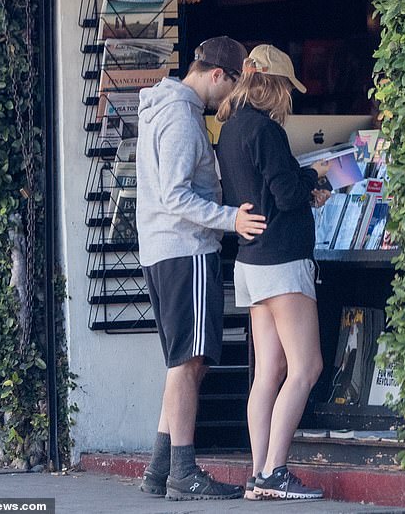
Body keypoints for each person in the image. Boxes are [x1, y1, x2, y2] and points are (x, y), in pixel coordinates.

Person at [135, 36, 267, 501]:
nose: (230, 98)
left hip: (165, 248)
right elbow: (175, 194)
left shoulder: (166, 108)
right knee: (188, 361)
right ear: (217, 75)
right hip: (184, 247)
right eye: (232, 86)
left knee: (184, 361)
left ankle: (159, 469)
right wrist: (229, 218)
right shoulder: (179, 114)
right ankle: (183, 471)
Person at [216, 44, 330, 500]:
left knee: (268, 372)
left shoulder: (230, 129)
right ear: (274, 85)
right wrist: (314, 177)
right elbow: (284, 194)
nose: (288, 98)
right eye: (286, 88)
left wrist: (303, 188)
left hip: (251, 264)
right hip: (284, 261)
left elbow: (260, 193)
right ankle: (275, 472)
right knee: (307, 366)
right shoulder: (266, 130)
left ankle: (258, 471)